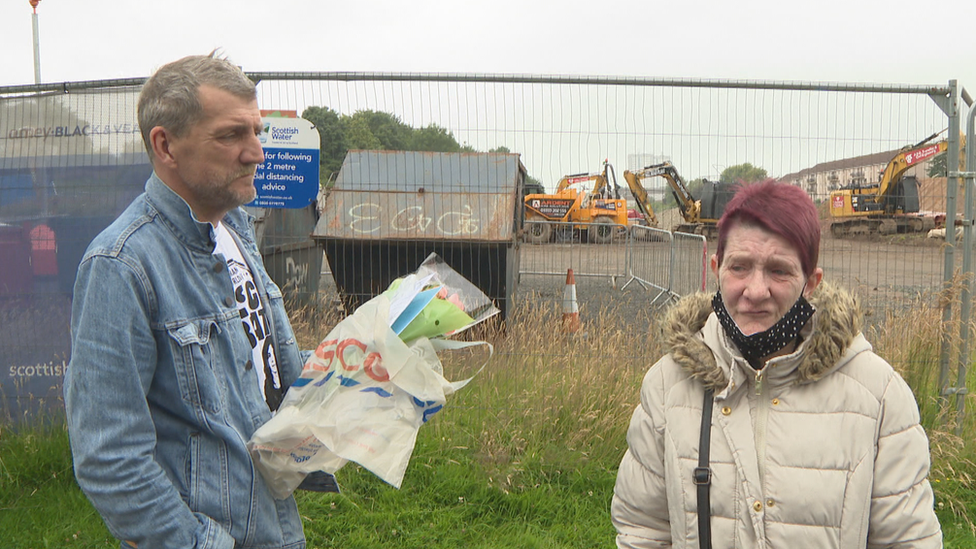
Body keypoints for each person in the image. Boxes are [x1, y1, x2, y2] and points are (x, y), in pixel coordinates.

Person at [64, 53, 315, 548]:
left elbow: (267, 375)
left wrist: (373, 368)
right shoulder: (121, 265)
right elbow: (109, 457)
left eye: (257, 131)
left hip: (276, 525)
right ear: (166, 145)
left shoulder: (234, 228)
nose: (257, 153)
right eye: (231, 135)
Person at [611, 180, 942, 548]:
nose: (755, 291)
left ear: (811, 282)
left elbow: (909, 540)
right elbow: (642, 530)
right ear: (715, 268)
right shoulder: (666, 387)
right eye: (740, 267)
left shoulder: (878, 397)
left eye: (779, 271)